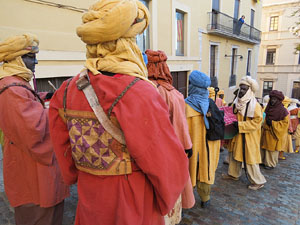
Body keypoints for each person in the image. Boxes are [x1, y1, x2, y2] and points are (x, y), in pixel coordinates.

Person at [49, 1, 189, 224]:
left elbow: (63, 152)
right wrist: (169, 198)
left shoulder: (65, 91)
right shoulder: (139, 92)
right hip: (132, 200)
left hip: (90, 199)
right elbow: (164, 162)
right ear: (127, 43)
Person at [0, 33, 69, 225]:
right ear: (16, 58)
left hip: (31, 164)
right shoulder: (11, 88)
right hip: (31, 168)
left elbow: (28, 102)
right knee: (39, 215)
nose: (36, 61)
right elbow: (34, 130)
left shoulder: (16, 82)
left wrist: (46, 96)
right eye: (30, 57)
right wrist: (59, 110)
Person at [146, 49, 195, 225]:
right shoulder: (173, 91)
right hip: (173, 149)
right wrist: (187, 146)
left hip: (157, 151)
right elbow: (181, 125)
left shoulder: (149, 89)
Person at [222, 76, 266, 190]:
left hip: (248, 136)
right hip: (236, 134)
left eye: (244, 89)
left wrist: (241, 125)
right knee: (234, 154)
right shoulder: (237, 102)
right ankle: (233, 174)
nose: (241, 91)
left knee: (249, 158)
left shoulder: (254, 105)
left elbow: (257, 121)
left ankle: (258, 181)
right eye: (240, 88)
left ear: (250, 90)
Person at [185, 71, 221, 208]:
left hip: (192, 148)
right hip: (209, 147)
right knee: (205, 171)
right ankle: (205, 198)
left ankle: (188, 201)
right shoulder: (211, 103)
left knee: (190, 172)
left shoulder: (186, 106)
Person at [261, 90, 289, 169]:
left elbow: (285, 124)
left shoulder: (283, 111)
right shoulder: (268, 108)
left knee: (271, 150)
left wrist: (273, 123)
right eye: (272, 99)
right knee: (264, 148)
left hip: (274, 133)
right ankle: (263, 161)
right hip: (266, 132)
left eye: (275, 99)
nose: (273, 101)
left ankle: (270, 164)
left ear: (278, 100)